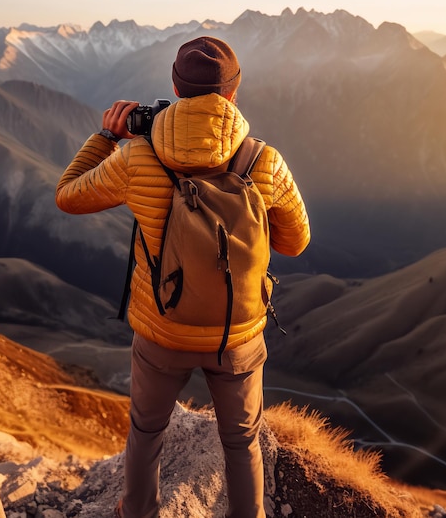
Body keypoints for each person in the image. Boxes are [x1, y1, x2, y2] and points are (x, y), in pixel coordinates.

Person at [56, 36, 310, 518]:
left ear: (174, 87)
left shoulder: (138, 158)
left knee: (147, 432)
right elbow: (296, 243)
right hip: (236, 333)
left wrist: (107, 138)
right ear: (233, 94)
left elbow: (67, 195)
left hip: (162, 330)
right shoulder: (265, 162)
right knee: (242, 442)